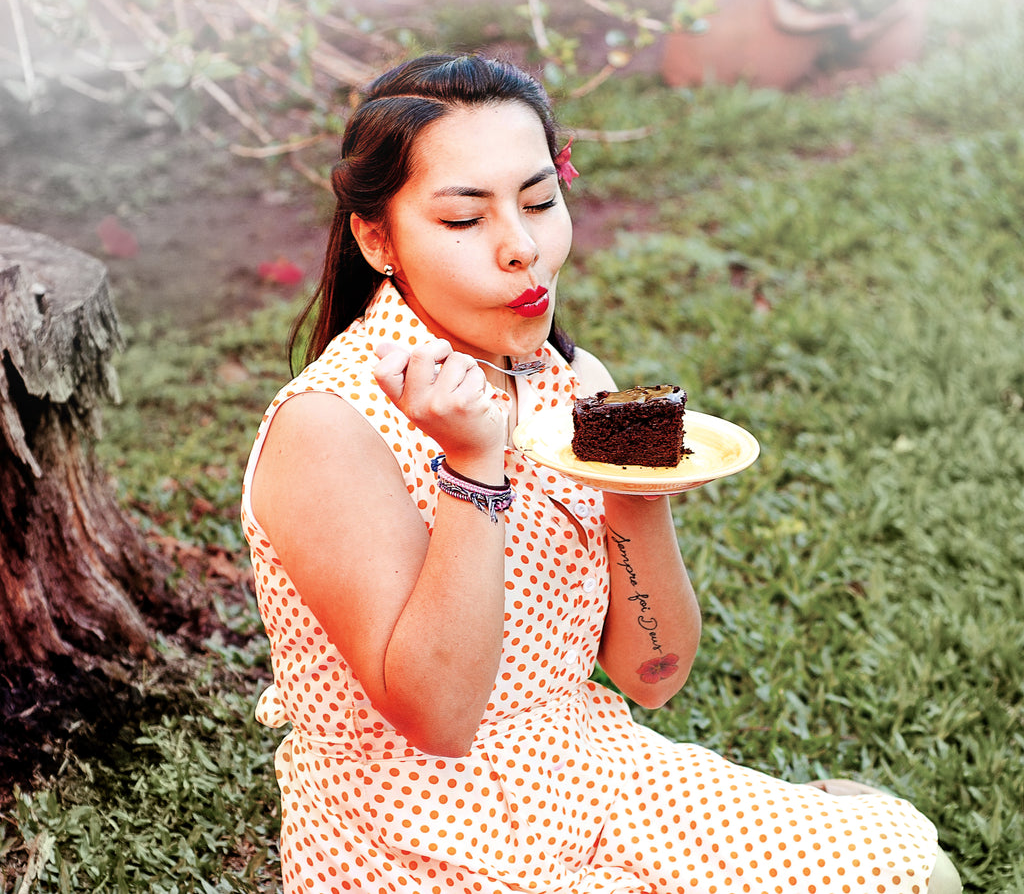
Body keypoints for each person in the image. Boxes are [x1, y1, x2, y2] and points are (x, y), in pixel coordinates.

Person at [241, 54, 960, 894]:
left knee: (914, 875)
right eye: (465, 220)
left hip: (593, 773)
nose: (522, 247)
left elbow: (654, 677)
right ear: (377, 237)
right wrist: (472, 468)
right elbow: (437, 717)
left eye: (541, 201)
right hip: (417, 830)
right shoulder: (331, 424)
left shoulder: (572, 382)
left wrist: (636, 492)